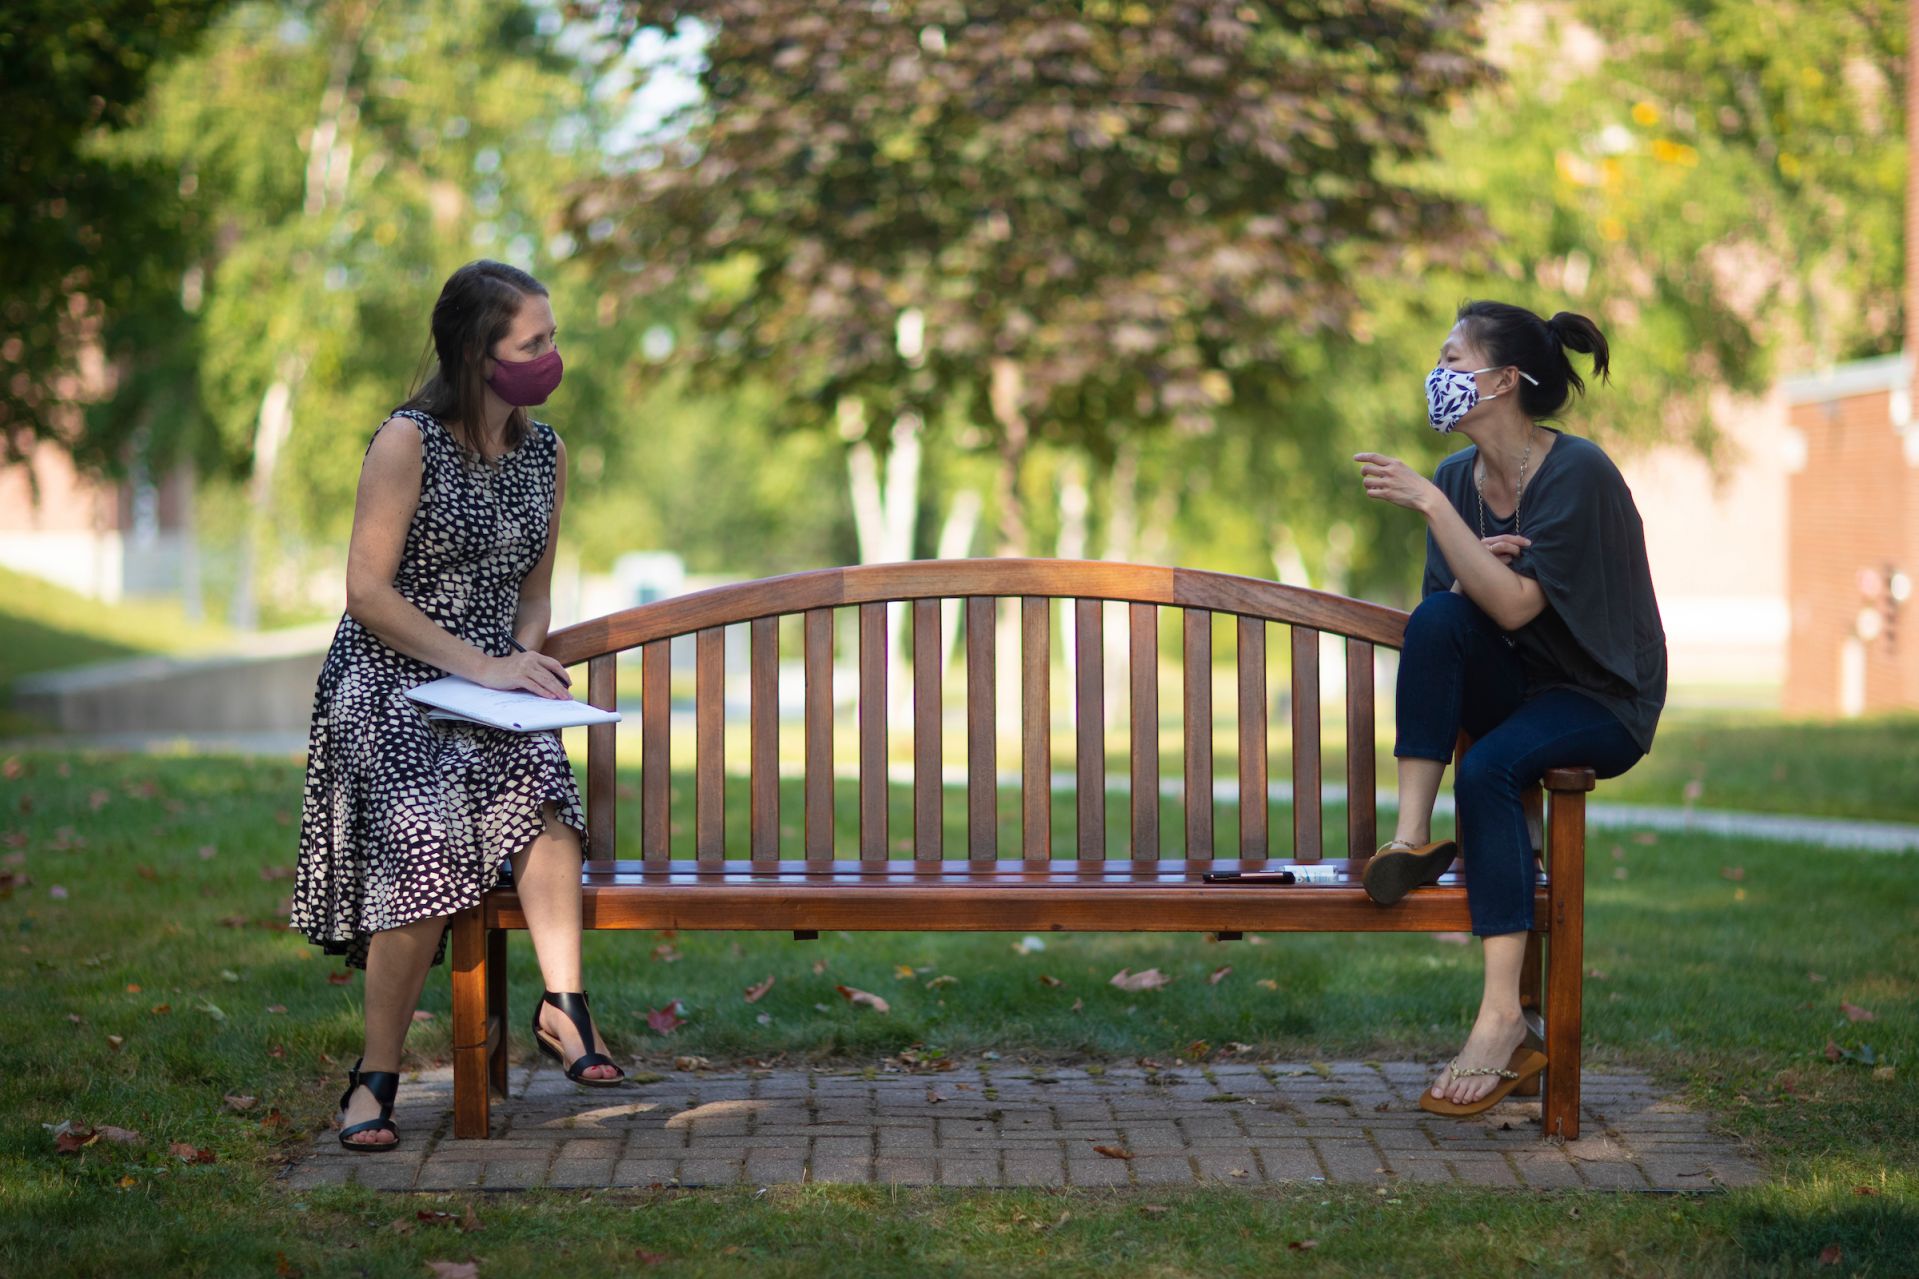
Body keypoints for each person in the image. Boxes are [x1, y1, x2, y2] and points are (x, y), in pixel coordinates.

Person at [290, 260, 624, 1153]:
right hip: (389, 682)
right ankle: (377, 1073)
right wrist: (481, 665)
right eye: (534, 342)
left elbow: (535, 596)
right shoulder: (408, 440)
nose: (551, 356)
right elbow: (367, 592)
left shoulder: (545, 454)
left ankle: (566, 1007)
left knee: (541, 792)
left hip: (489, 688)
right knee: (428, 837)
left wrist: (520, 659)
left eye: (551, 336)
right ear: (480, 353)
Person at [1353, 300, 1666, 1118]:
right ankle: (1410, 838)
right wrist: (1463, 553)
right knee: (1437, 616)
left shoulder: (1577, 472)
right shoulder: (1461, 479)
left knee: (1489, 764)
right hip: (1519, 686)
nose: (1439, 373)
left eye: (1451, 358)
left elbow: (1522, 608)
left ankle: (1502, 1020)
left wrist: (1431, 509)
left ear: (1501, 381)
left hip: (1599, 694)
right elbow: (1449, 621)